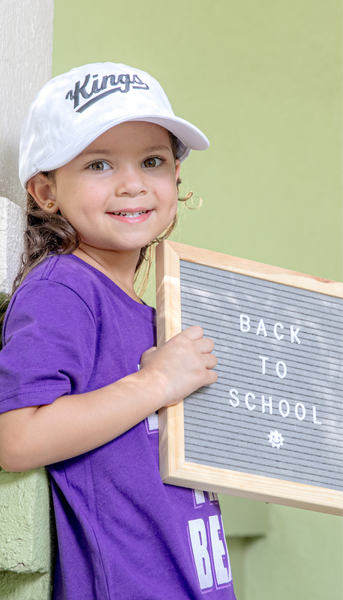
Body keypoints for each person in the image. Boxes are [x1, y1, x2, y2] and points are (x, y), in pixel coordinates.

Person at [0, 62, 236, 600]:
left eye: (152, 161)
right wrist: (153, 386)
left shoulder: (152, 314)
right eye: (100, 163)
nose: (132, 184)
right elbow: (18, 438)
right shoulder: (63, 289)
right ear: (45, 191)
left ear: (176, 179)